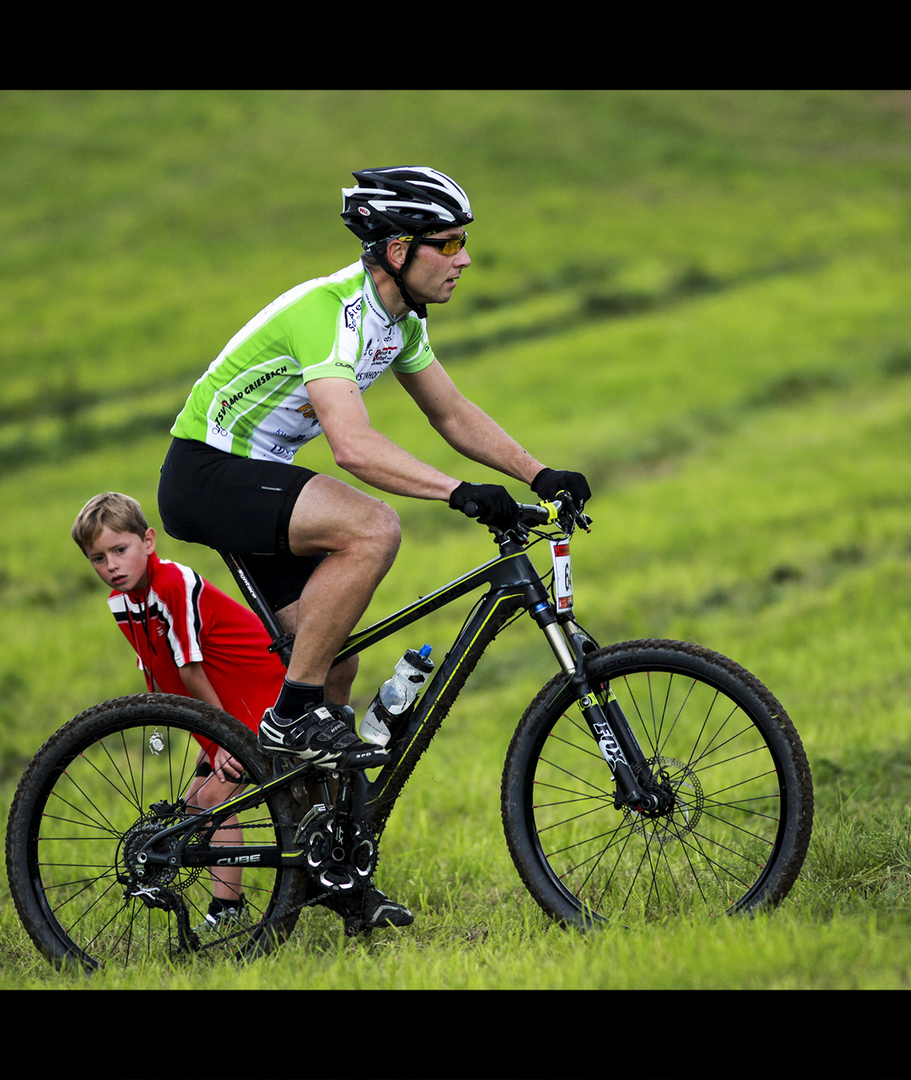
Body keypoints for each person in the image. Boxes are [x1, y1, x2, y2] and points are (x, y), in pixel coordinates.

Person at [156, 166, 591, 929]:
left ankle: (330, 872)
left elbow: (451, 412)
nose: (462, 259)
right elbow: (353, 447)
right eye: (448, 243)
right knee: (373, 526)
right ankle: (288, 715)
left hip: (257, 477)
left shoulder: (402, 323)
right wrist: (458, 492)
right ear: (396, 248)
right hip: (208, 473)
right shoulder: (332, 313)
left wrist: (539, 473)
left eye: (465, 243)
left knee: (337, 664)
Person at [72, 491, 287, 931]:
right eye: (97, 558)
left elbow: (189, 669)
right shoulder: (123, 602)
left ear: (148, 541)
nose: (111, 566)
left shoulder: (172, 584)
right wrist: (167, 732)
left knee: (211, 799)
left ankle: (234, 909)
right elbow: (157, 672)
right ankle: (231, 907)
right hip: (223, 705)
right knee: (197, 807)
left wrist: (221, 739)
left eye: (120, 550)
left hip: (257, 693)